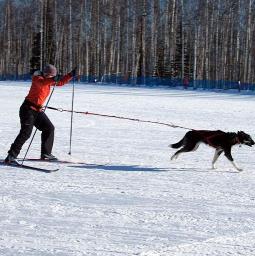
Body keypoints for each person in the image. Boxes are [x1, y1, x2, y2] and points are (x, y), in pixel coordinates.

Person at [5, 64, 76, 163]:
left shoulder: (49, 81)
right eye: (51, 76)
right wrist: (53, 79)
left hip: (37, 110)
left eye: (53, 76)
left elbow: (59, 83)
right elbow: (42, 83)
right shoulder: (37, 78)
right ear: (46, 74)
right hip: (27, 109)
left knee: (49, 128)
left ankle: (46, 153)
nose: (52, 78)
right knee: (26, 133)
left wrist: (70, 75)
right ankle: (11, 156)